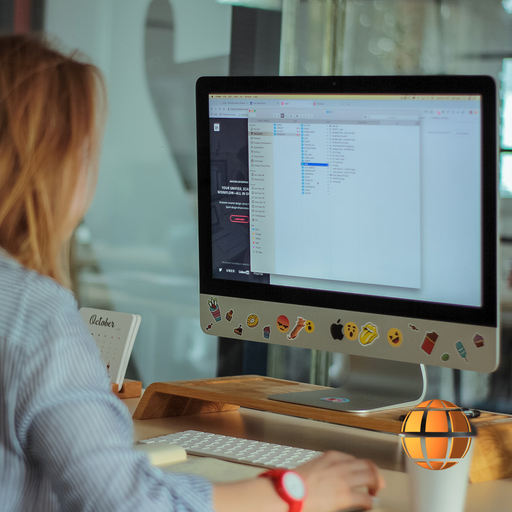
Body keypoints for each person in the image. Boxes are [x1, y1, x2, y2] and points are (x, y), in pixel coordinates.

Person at [0, 34, 384, 512]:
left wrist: (83, 408)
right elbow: (129, 505)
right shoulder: (35, 315)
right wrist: (293, 491)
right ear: (50, 166)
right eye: (83, 152)